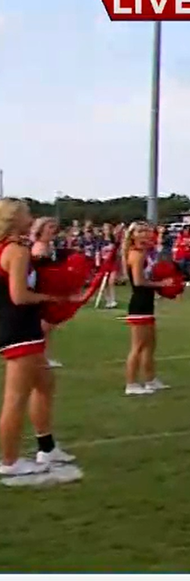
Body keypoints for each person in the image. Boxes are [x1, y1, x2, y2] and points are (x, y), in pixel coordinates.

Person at [0, 200, 79, 480]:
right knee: (16, 397)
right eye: (26, 214)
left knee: (45, 383)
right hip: (20, 328)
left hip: (20, 327)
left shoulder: (9, 247)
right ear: (13, 219)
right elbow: (19, 295)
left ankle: (47, 448)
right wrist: (54, 298)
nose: (30, 218)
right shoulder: (16, 250)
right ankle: (9, 461)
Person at [121, 222, 171, 395]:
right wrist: (161, 284)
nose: (145, 234)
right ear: (132, 235)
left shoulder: (145, 253)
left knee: (150, 345)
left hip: (146, 303)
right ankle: (131, 384)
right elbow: (138, 281)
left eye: (147, 230)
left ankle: (150, 379)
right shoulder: (136, 254)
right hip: (139, 304)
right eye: (140, 231)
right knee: (138, 346)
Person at [30, 218, 64, 369]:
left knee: (47, 326)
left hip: (48, 289)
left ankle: (45, 356)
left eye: (55, 228)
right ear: (40, 229)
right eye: (50, 227)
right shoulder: (39, 247)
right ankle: (41, 357)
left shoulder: (48, 246)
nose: (53, 231)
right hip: (41, 290)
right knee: (44, 326)